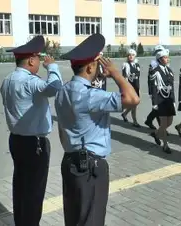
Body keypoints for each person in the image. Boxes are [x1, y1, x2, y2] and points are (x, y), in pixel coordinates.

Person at [55, 33, 139, 225]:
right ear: (91, 66)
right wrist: (116, 74)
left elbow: (61, 130)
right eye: (97, 64)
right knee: (91, 220)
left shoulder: (62, 91)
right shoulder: (91, 96)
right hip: (90, 168)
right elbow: (133, 99)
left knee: (75, 219)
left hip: (69, 161)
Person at [0, 35, 63, 226]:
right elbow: (55, 87)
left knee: (20, 186)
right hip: (34, 144)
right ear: (31, 60)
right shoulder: (30, 81)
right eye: (37, 58)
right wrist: (52, 66)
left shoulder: (7, 80)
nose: (39, 61)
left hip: (16, 140)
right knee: (34, 191)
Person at [149, 49, 176, 153]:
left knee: (169, 122)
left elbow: (171, 86)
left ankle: (156, 133)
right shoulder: (155, 71)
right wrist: (154, 103)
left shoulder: (169, 70)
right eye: (164, 57)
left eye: (167, 57)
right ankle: (165, 145)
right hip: (160, 100)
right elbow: (154, 88)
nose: (167, 59)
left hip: (168, 99)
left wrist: (173, 99)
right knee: (164, 123)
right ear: (159, 59)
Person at [144, 45, 165, 130]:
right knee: (158, 109)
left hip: (162, 89)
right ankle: (162, 127)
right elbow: (150, 79)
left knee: (158, 108)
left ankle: (149, 120)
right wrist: (150, 92)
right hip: (155, 89)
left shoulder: (162, 62)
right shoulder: (154, 64)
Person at [121, 49, 141, 127]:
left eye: (132, 55)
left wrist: (139, 88)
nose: (130, 56)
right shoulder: (125, 65)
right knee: (133, 104)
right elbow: (124, 77)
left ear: (135, 56)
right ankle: (135, 121)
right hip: (129, 87)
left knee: (135, 104)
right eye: (129, 55)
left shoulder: (137, 65)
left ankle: (124, 113)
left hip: (136, 86)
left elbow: (138, 77)